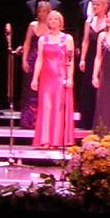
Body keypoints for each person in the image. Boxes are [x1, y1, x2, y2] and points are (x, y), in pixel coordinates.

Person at [29, 9, 75, 147]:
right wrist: (35, 78)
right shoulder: (43, 39)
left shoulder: (67, 38)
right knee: (46, 107)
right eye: (50, 19)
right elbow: (39, 60)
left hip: (60, 77)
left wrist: (70, 78)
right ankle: (45, 140)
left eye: (56, 19)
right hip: (46, 78)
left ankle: (56, 140)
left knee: (58, 107)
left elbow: (70, 60)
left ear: (61, 22)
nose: (53, 21)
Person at [19, 2, 55, 130]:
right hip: (32, 59)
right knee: (29, 90)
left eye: (45, 11)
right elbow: (27, 43)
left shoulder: (52, 26)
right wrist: (24, 60)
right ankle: (28, 120)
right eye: (40, 11)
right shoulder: (32, 25)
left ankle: (43, 120)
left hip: (46, 61)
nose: (42, 14)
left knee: (43, 89)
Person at [77, 0, 110, 122]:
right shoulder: (89, 21)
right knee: (89, 86)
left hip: (105, 56)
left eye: (98, 4)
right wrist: (83, 58)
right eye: (94, 4)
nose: (95, 6)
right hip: (91, 56)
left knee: (102, 86)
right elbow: (85, 40)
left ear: (105, 6)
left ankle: (102, 119)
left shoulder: (109, 20)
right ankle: (88, 119)